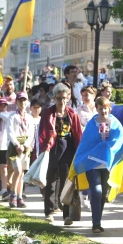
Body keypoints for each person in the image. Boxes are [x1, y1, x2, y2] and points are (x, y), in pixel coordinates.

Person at [73, 96, 123, 232]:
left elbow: (119, 141)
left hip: (106, 163)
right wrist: (99, 147)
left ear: (110, 108)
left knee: (102, 193)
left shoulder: (115, 123)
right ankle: (95, 223)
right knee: (96, 190)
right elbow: (87, 142)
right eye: (100, 108)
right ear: (96, 109)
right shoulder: (92, 124)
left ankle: (98, 220)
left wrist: (107, 145)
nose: (103, 111)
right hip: (92, 162)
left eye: (106, 108)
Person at [40, 83, 82, 224]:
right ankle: (49, 212)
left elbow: (77, 134)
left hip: (68, 148)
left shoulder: (72, 113)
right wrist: (43, 149)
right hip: (52, 147)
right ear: (54, 98)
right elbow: (43, 133)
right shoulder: (47, 113)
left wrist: (78, 153)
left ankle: (66, 215)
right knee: (51, 181)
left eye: (64, 98)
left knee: (66, 182)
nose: (62, 101)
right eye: (59, 98)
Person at [7, 92, 35, 208]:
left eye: (24, 100)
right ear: (16, 102)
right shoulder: (12, 116)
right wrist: (17, 144)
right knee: (17, 170)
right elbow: (10, 132)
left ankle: (19, 196)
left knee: (22, 172)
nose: (22, 103)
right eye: (20, 100)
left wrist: (26, 145)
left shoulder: (29, 117)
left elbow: (31, 133)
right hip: (15, 147)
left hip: (25, 147)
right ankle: (12, 194)